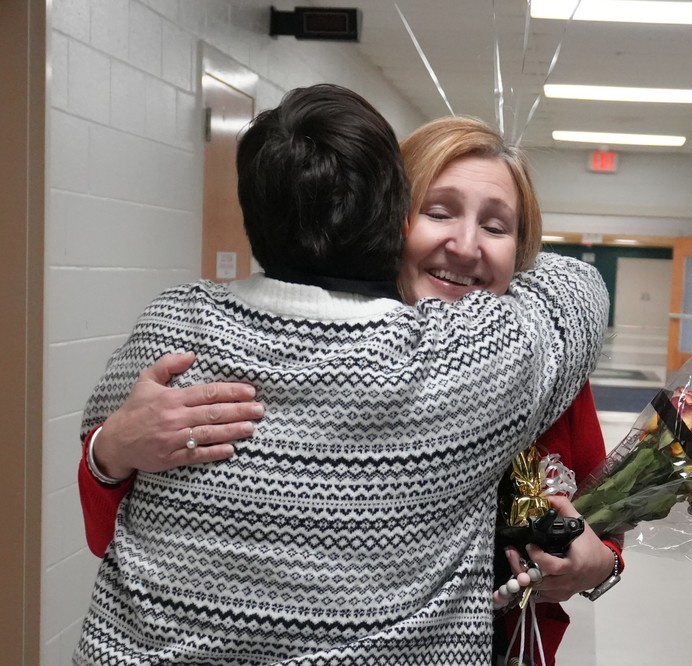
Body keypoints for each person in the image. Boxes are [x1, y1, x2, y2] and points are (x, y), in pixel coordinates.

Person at [72, 85, 608, 665]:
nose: (465, 244)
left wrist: (599, 564)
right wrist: (113, 447)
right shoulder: (492, 356)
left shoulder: (175, 322)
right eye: (437, 211)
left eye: (497, 228)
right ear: (388, 216)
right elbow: (578, 285)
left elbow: (600, 524)